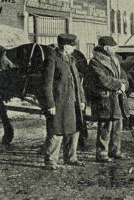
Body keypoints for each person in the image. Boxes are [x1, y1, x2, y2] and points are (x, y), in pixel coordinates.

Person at [42, 34, 86, 170]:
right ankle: (51, 160)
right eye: (73, 46)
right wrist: (50, 104)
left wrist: (82, 99)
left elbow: (77, 81)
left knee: (74, 130)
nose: (74, 48)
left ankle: (71, 158)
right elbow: (46, 83)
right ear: (65, 46)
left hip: (73, 101)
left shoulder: (71, 59)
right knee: (56, 131)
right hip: (59, 102)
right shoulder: (52, 59)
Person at [84, 36, 129, 163]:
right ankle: (102, 153)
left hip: (117, 97)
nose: (115, 49)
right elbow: (102, 80)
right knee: (105, 125)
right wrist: (120, 85)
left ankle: (115, 151)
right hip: (104, 98)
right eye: (113, 47)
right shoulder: (95, 62)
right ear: (106, 48)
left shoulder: (115, 59)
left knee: (117, 124)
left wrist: (124, 85)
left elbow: (125, 76)